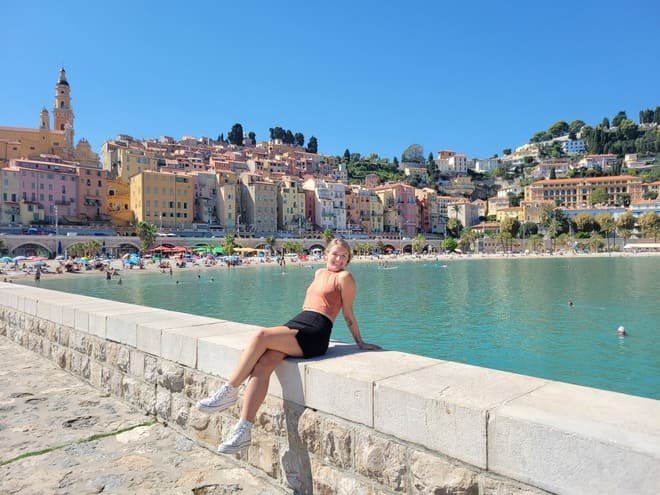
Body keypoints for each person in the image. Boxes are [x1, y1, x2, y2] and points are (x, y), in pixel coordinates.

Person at [197, 238, 380, 454]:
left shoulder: (345, 277)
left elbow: (348, 314)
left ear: (348, 260)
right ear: (326, 254)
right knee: (264, 364)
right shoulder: (319, 273)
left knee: (261, 335)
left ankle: (230, 389)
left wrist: (359, 342)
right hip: (298, 323)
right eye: (335, 254)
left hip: (315, 333)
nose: (339, 259)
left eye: (344, 256)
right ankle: (243, 431)